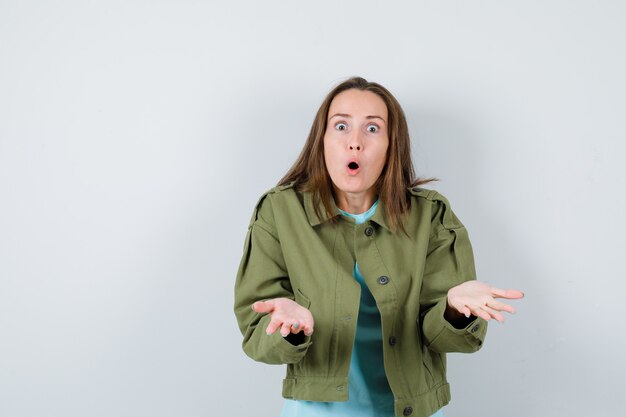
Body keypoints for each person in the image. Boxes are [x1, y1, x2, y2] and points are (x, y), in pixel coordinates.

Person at [233, 76, 524, 417]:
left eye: (372, 129)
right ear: (322, 140)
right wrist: (288, 327)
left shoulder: (431, 215)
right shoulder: (280, 212)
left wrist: (453, 310)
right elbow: (256, 337)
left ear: (391, 145)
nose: (354, 142)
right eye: (341, 126)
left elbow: (450, 338)